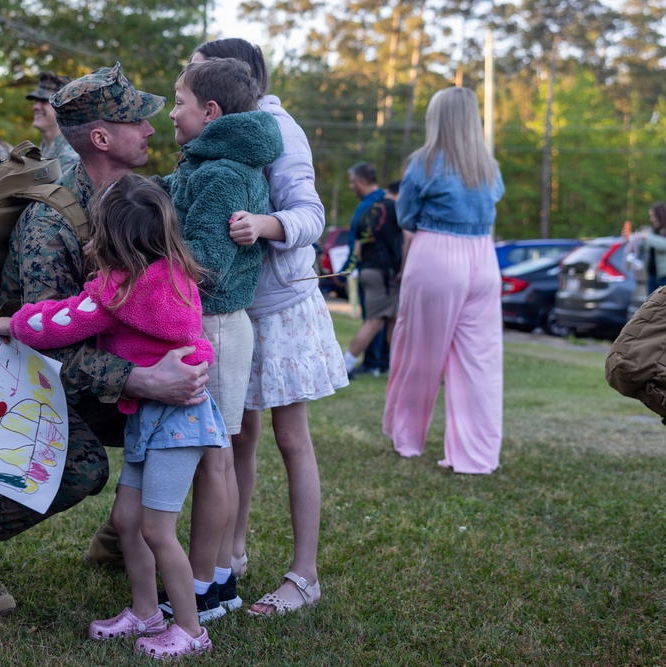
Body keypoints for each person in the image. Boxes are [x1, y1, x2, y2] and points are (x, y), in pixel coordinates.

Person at [0, 63, 209, 618]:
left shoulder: (139, 198)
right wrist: (140, 379)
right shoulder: (51, 221)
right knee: (81, 467)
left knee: (189, 425)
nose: (152, 130)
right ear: (102, 138)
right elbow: (47, 341)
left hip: (93, 369)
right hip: (19, 369)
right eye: (138, 121)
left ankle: (121, 535)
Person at [0, 174, 222, 658]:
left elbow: (57, 322)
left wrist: (9, 324)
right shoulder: (167, 272)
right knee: (126, 519)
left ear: (116, 241)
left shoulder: (122, 294)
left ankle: (191, 630)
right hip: (155, 415)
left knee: (158, 530)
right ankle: (145, 613)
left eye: (98, 231)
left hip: (175, 424)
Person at [190, 37, 349, 616]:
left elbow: (312, 215)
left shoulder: (280, 129)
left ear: (236, 80)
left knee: (291, 438)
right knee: (236, 436)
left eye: (198, 74)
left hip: (281, 306)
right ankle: (230, 554)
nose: (191, 84)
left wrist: (264, 223)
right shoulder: (218, 138)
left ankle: (304, 576)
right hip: (235, 311)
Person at [156, 56, 283, 622]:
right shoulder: (204, 163)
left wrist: (141, 260)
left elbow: (203, 262)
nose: (172, 114)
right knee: (216, 455)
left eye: (179, 102)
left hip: (214, 329)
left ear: (210, 112)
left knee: (214, 458)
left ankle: (208, 583)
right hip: (204, 325)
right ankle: (218, 574)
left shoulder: (224, 174)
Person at [383, 86, 505, 474]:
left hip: (436, 253)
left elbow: (405, 216)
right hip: (483, 259)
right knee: (480, 361)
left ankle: (407, 438)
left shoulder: (423, 161)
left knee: (418, 353)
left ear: (437, 118)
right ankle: (476, 456)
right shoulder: (488, 166)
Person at [340, 165, 408, 377]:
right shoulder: (396, 209)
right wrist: (403, 270)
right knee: (374, 321)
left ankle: (395, 366)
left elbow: (357, 247)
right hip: (385, 274)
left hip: (368, 271)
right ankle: (344, 366)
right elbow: (407, 239)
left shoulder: (367, 210)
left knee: (393, 318)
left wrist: (351, 269)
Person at [26, 71, 80, 172]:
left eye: (44, 101)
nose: (35, 107)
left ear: (64, 108)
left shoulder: (71, 157)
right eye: (35, 101)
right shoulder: (40, 151)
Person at [634, 202, 666, 295]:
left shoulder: (650, 234)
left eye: (653, 215)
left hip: (664, 276)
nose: (651, 219)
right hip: (652, 276)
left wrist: (647, 237)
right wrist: (631, 240)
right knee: (651, 307)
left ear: (661, 215)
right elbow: (641, 249)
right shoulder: (650, 231)